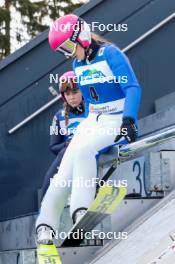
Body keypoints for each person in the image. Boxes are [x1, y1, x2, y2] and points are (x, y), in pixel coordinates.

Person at [36, 14, 141, 244]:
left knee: (84, 151)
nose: (67, 53)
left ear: (81, 35)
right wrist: (85, 126)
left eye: (67, 46)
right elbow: (92, 101)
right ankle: (46, 224)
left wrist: (129, 120)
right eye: (61, 50)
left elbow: (132, 87)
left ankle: (81, 212)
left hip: (116, 119)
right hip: (94, 120)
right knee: (64, 166)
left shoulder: (110, 53)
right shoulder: (78, 64)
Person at [41, 71, 85, 199]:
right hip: (68, 156)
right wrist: (67, 144)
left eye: (75, 92)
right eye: (68, 94)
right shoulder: (58, 116)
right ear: (63, 96)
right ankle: (44, 204)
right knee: (65, 151)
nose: (72, 97)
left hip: (91, 151)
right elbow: (53, 147)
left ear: (83, 91)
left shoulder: (93, 109)